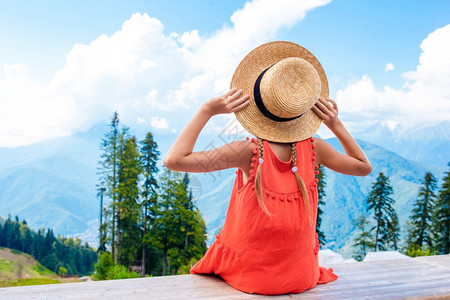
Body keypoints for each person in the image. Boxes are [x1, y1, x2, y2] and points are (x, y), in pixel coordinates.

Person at [163, 41, 372, 295]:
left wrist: (207, 110)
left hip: (254, 279)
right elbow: (363, 167)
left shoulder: (248, 152)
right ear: (302, 111)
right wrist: (335, 124)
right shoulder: (314, 148)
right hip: (302, 275)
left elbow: (174, 160)